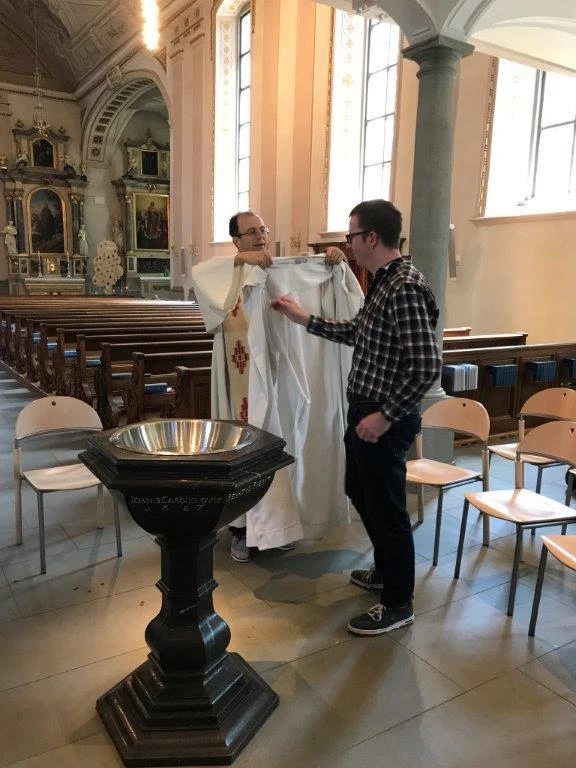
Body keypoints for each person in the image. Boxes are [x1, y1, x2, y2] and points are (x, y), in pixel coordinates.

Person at [272, 199, 442, 636]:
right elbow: (357, 333)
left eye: (351, 236)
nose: (348, 244)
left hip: (383, 415)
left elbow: (427, 366)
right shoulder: (383, 281)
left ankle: (398, 602)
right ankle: (386, 569)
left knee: (387, 507)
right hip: (366, 409)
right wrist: (303, 318)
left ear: (371, 237)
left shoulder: (403, 287)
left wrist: (385, 417)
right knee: (359, 490)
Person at [192, 211, 359, 563]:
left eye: (263, 229)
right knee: (241, 450)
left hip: (277, 380)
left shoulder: (279, 272)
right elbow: (201, 275)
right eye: (251, 231)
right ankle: (242, 529)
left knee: (280, 446)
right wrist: (241, 262)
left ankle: (279, 526)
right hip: (240, 382)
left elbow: (331, 301)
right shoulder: (226, 272)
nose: (260, 236)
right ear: (236, 240)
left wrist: (335, 265)